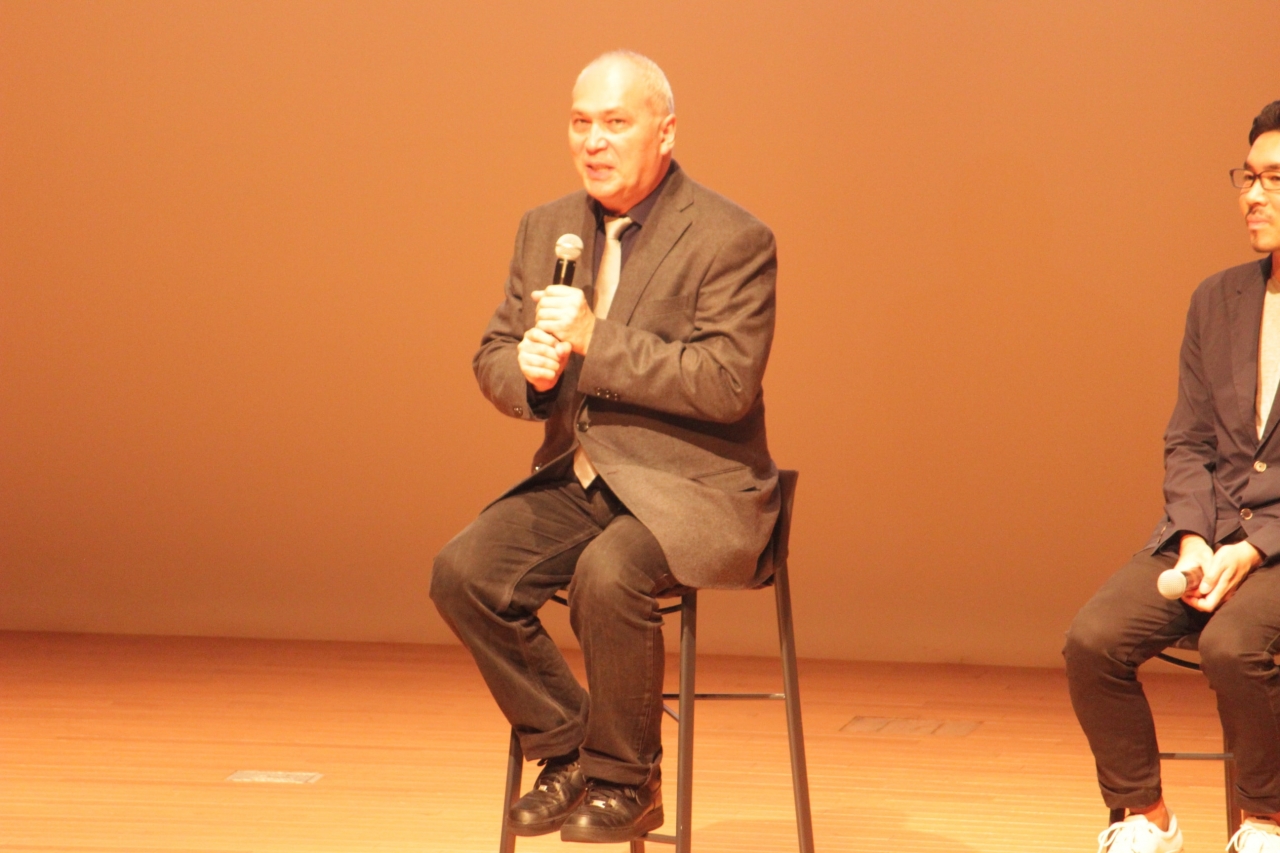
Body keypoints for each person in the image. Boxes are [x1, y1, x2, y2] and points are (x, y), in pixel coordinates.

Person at [429, 51, 780, 844]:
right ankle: (568, 748)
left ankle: (628, 779)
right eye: (581, 122)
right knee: (465, 572)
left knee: (608, 571)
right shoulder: (545, 226)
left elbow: (726, 382)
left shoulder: (731, 236)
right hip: (584, 477)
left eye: (616, 123)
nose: (594, 140)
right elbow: (495, 350)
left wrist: (596, 339)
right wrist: (528, 373)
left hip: (694, 486)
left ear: (666, 132)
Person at [1064, 100, 1280, 853]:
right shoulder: (1217, 299)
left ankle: (1265, 821)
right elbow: (1188, 439)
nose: (1253, 196)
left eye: (1275, 179)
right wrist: (1193, 539)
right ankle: (1146, 814)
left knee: (1233, 648)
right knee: (1093, 640)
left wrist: (1253, 548)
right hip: (1209, 532)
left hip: (1275, 548)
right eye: (1247, 178)